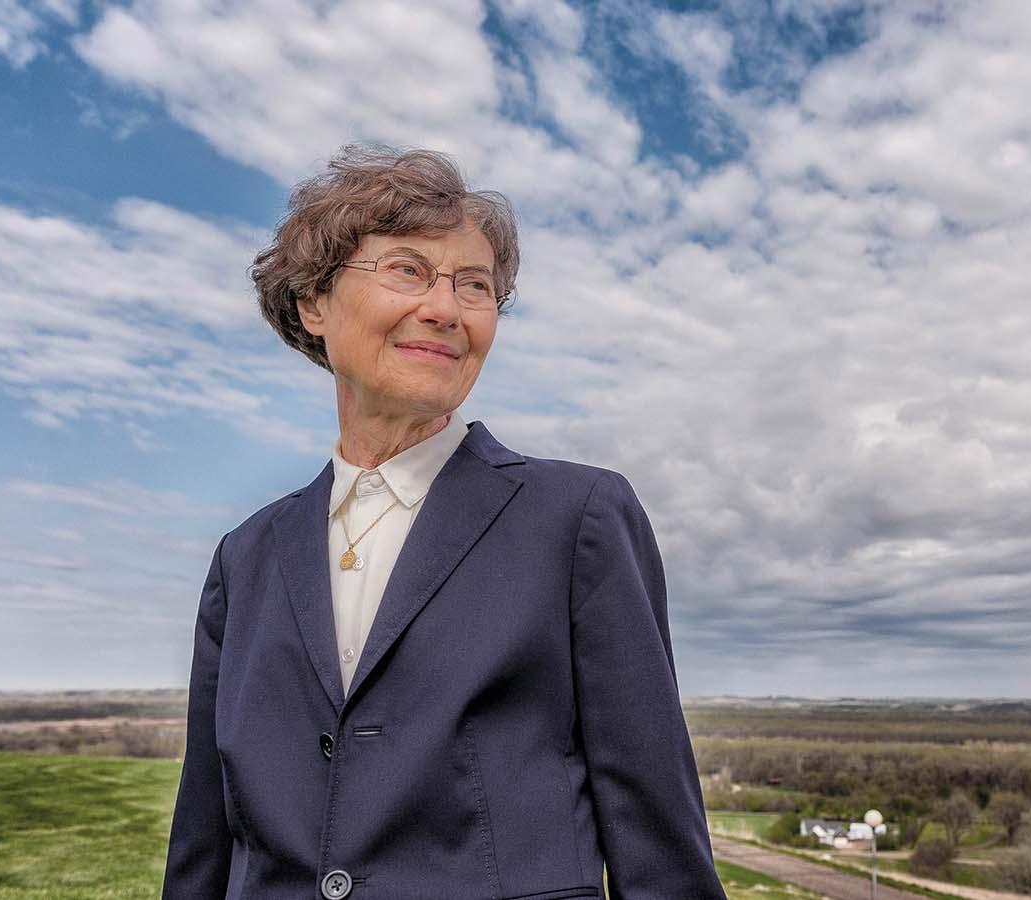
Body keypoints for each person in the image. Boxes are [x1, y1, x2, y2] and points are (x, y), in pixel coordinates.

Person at [161, 143, 726, 900]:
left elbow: (657, 842)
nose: (445, 308)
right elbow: (205, 836)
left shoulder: (579, 519)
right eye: (407, 270)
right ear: (313, 303)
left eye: (475, 285)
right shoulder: (246, 557)